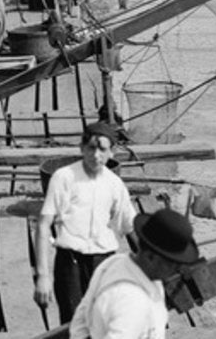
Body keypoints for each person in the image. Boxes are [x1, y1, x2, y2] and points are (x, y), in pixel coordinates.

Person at [34, 121, 136, 324]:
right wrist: (43, 276)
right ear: (81, 148)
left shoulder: (115, 184)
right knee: (73, 325)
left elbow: (131, 227)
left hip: (104, 262)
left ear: (112, 152)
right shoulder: (64, 177)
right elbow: (43, 225)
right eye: (91, 148)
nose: (96, 155)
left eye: (102, 149)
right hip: (70, 263)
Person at [69, 208, 200, 339]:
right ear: (150, 257)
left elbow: (81, 320)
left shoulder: (115, 263)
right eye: (172, 264)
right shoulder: (132, 301)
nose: (177, 269)